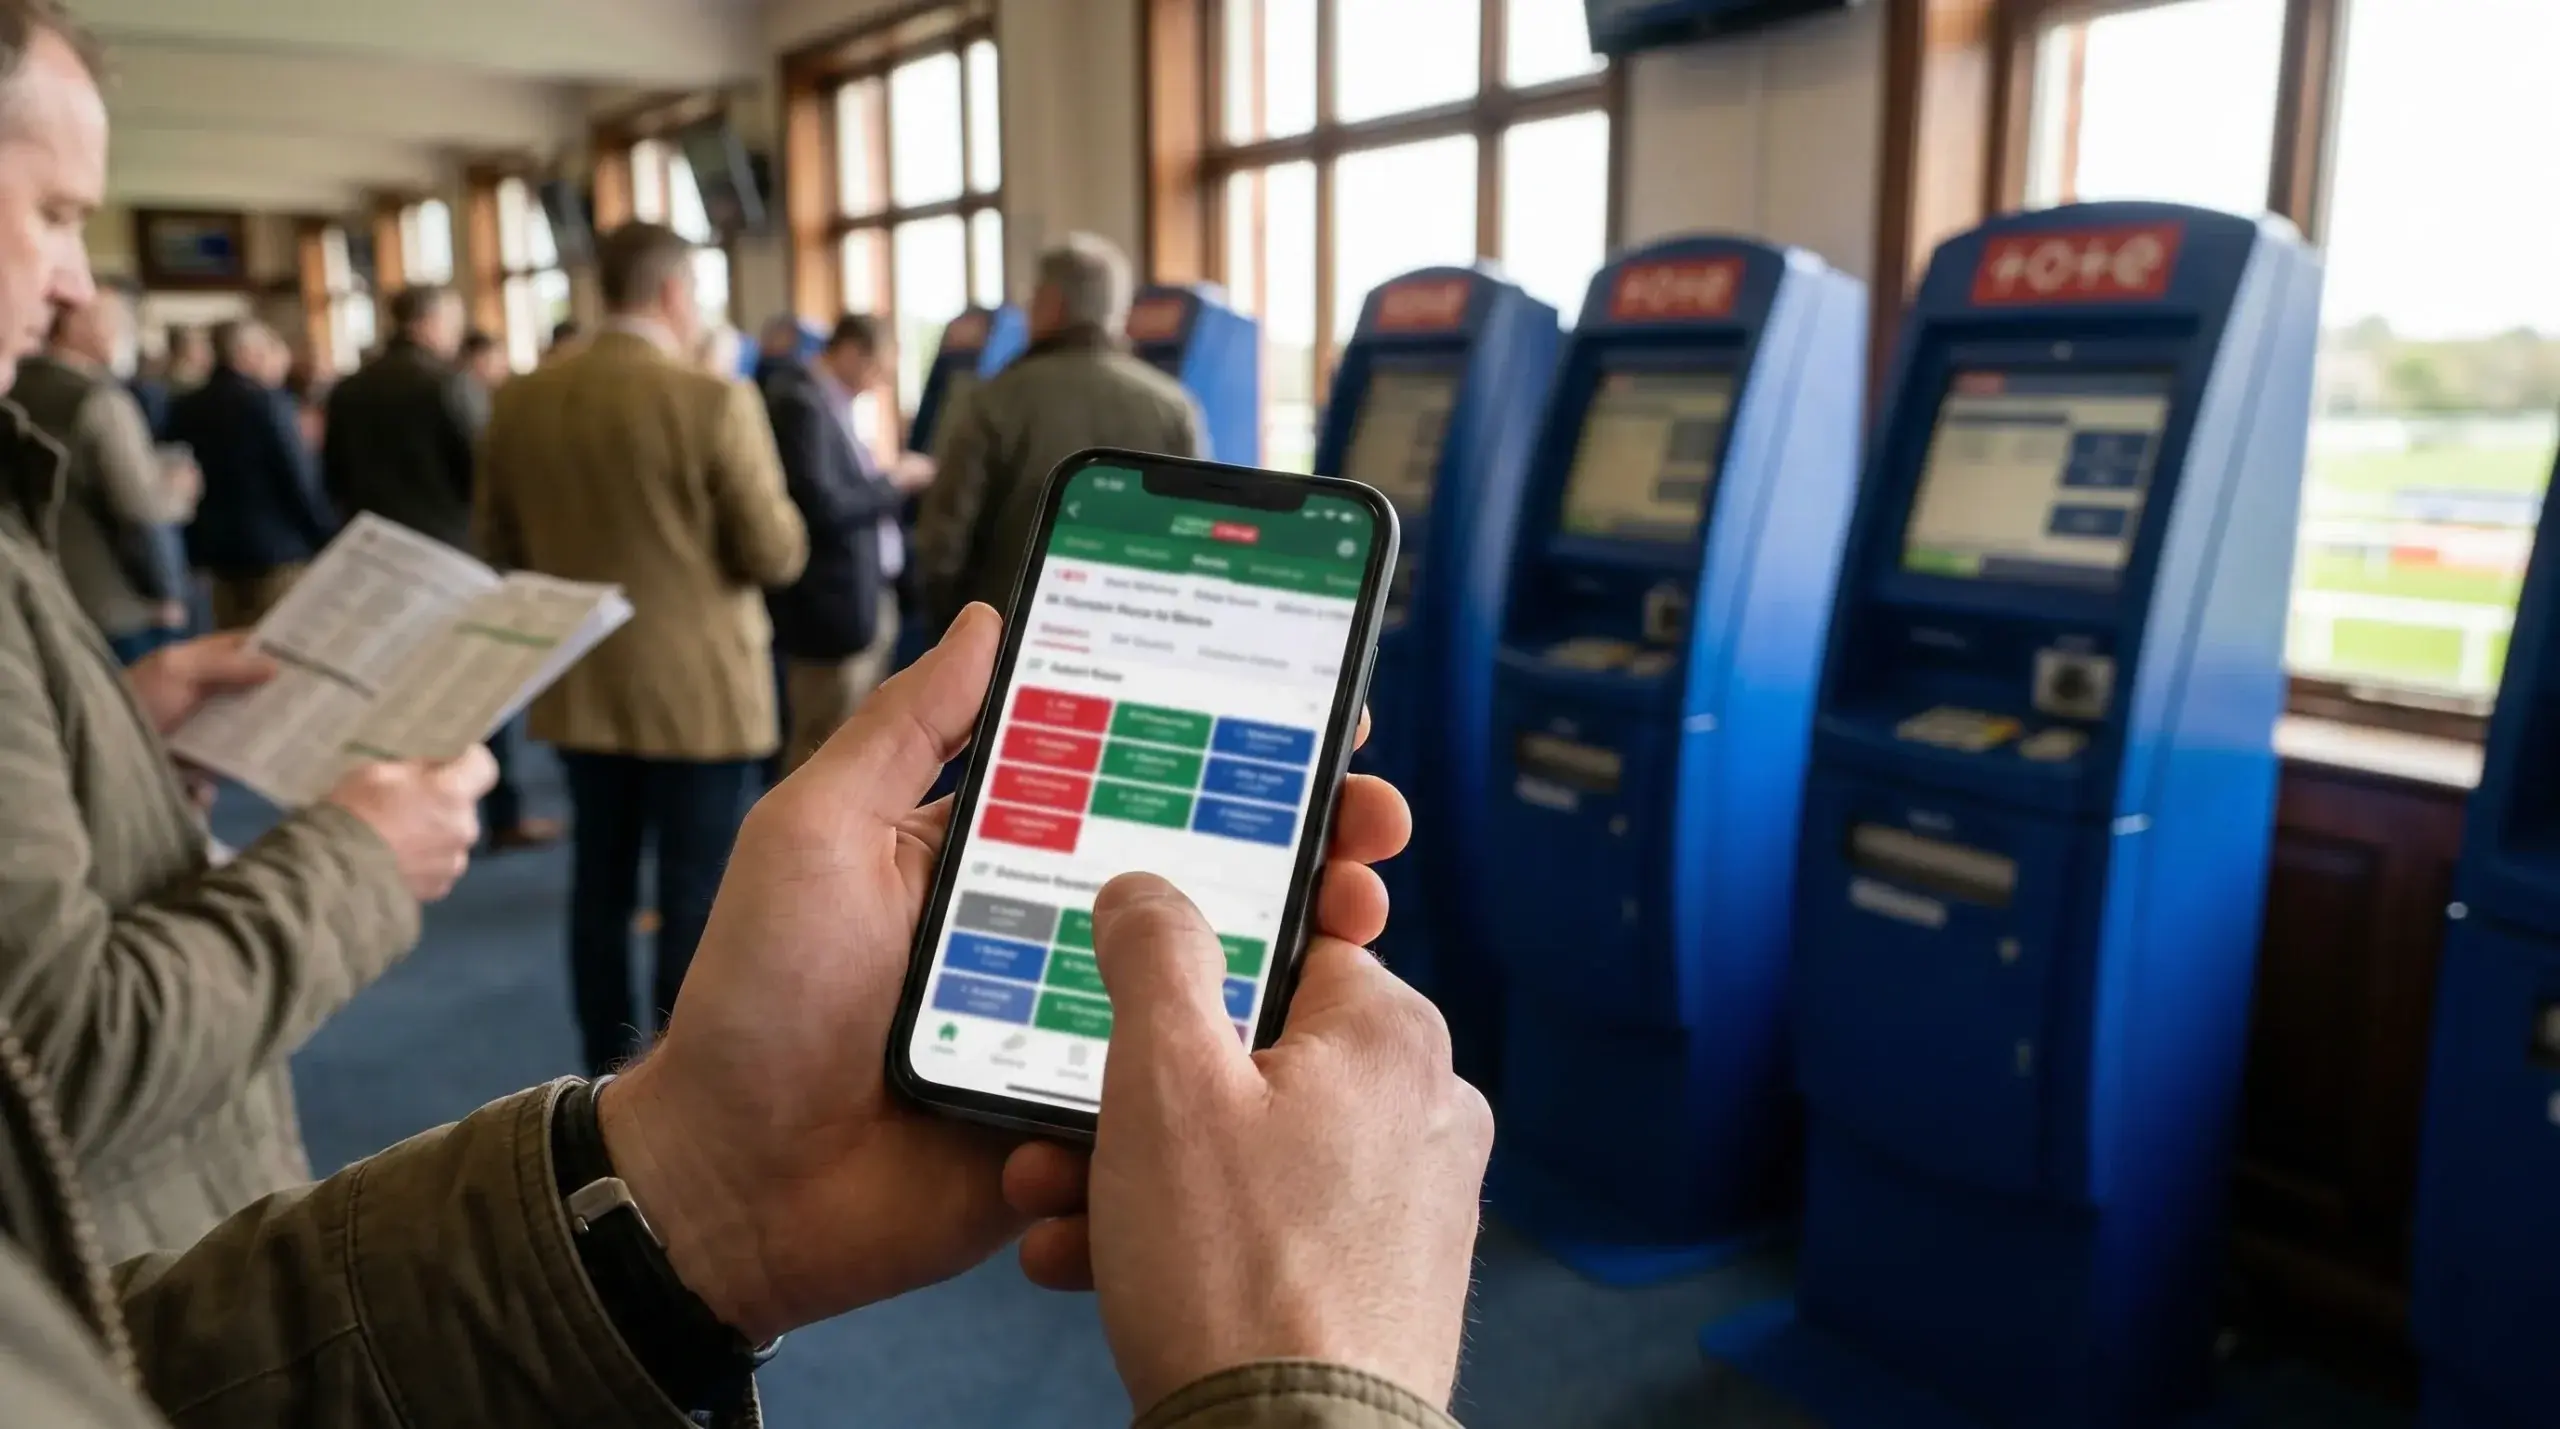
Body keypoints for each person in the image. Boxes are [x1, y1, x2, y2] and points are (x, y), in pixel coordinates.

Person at [0, 0, 498, 1261]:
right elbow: (60, 1068)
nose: (71, 283)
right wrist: (357, 858)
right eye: (56, 214)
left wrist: (113, 726)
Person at [475, 221, 807, 1074]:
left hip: (582, 679)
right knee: (693, 892)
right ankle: (667, 1076)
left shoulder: (522, 398)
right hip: (698, 691)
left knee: (600, 887)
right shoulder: (711, 399)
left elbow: (498, 542)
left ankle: (594, 1070)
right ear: (674, 293)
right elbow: (774, 551)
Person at [326, 284, 563, 853]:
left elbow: (332, 473)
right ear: (434, 321)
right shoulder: (448, 384)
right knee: (477, 690)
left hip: (377, 556)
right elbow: (482, 473)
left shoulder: (350, 388)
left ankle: (391, 819)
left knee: (391, 688)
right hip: (451, 556)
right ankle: (497, 816)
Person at [915, 232, 1205, 637]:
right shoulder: (1174, 407)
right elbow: (1192, 541)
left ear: (1052, 304)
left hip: (1009, 644)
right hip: (1131, 639)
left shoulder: (991, 401)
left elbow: (943, 544)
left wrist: (953, 636)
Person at [762, 313, 928, 776]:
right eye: (876, 370)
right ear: (851, 352)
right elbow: (825, 507)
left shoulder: (827, 403)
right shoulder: (800, 403)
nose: (877, 384)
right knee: (818, 748)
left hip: (862, 597)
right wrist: (895, 481)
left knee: (850, 738)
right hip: (828, 608)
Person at [12, 286, 196, 662]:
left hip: (38, 598)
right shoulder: (100, 399)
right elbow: (141, 508)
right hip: (117, 603)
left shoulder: (13, 387)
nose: (124, 332)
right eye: (116, 321)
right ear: (77, 324)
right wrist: (177, 490)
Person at [167, 318, 334, 628]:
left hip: (217, 556)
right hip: (278, 554)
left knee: (235, 649)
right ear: (247, 355)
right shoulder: (267, 403)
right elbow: (298, 479)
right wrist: (327, 536)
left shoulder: (185, 405)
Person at [458, 325, 508, 394]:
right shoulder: (463, 392)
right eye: (500, 366)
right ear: (479, 360)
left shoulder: (478, 390)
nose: (504, 373)